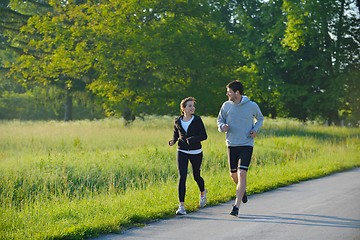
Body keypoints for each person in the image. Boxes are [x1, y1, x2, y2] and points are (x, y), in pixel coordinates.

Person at [217, 80, 264, 216]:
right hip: (231, 144)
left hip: (246, 144)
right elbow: (219, 120)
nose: (227, 94)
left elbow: (260, 119)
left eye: (229, 92)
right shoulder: (226, 106)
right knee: (233, 175)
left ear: (236, 92)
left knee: (242, 173)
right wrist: (222, 127)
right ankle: (242, 191)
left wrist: (255, 129)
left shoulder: (251, 105)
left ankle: (236, 207)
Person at [169, 96, 208, 215]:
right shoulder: (177, 121)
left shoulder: (197, 120)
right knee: (182, 177)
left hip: (196, 152)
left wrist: (193, 139)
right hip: (182, 151)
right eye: (190, 106)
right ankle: (181, 206)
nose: (193, 108)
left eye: (193, 106)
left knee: (196, 176)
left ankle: (203, 192)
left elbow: (204, 136)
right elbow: (176, 134)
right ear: (183, 108)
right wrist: (173, 141)